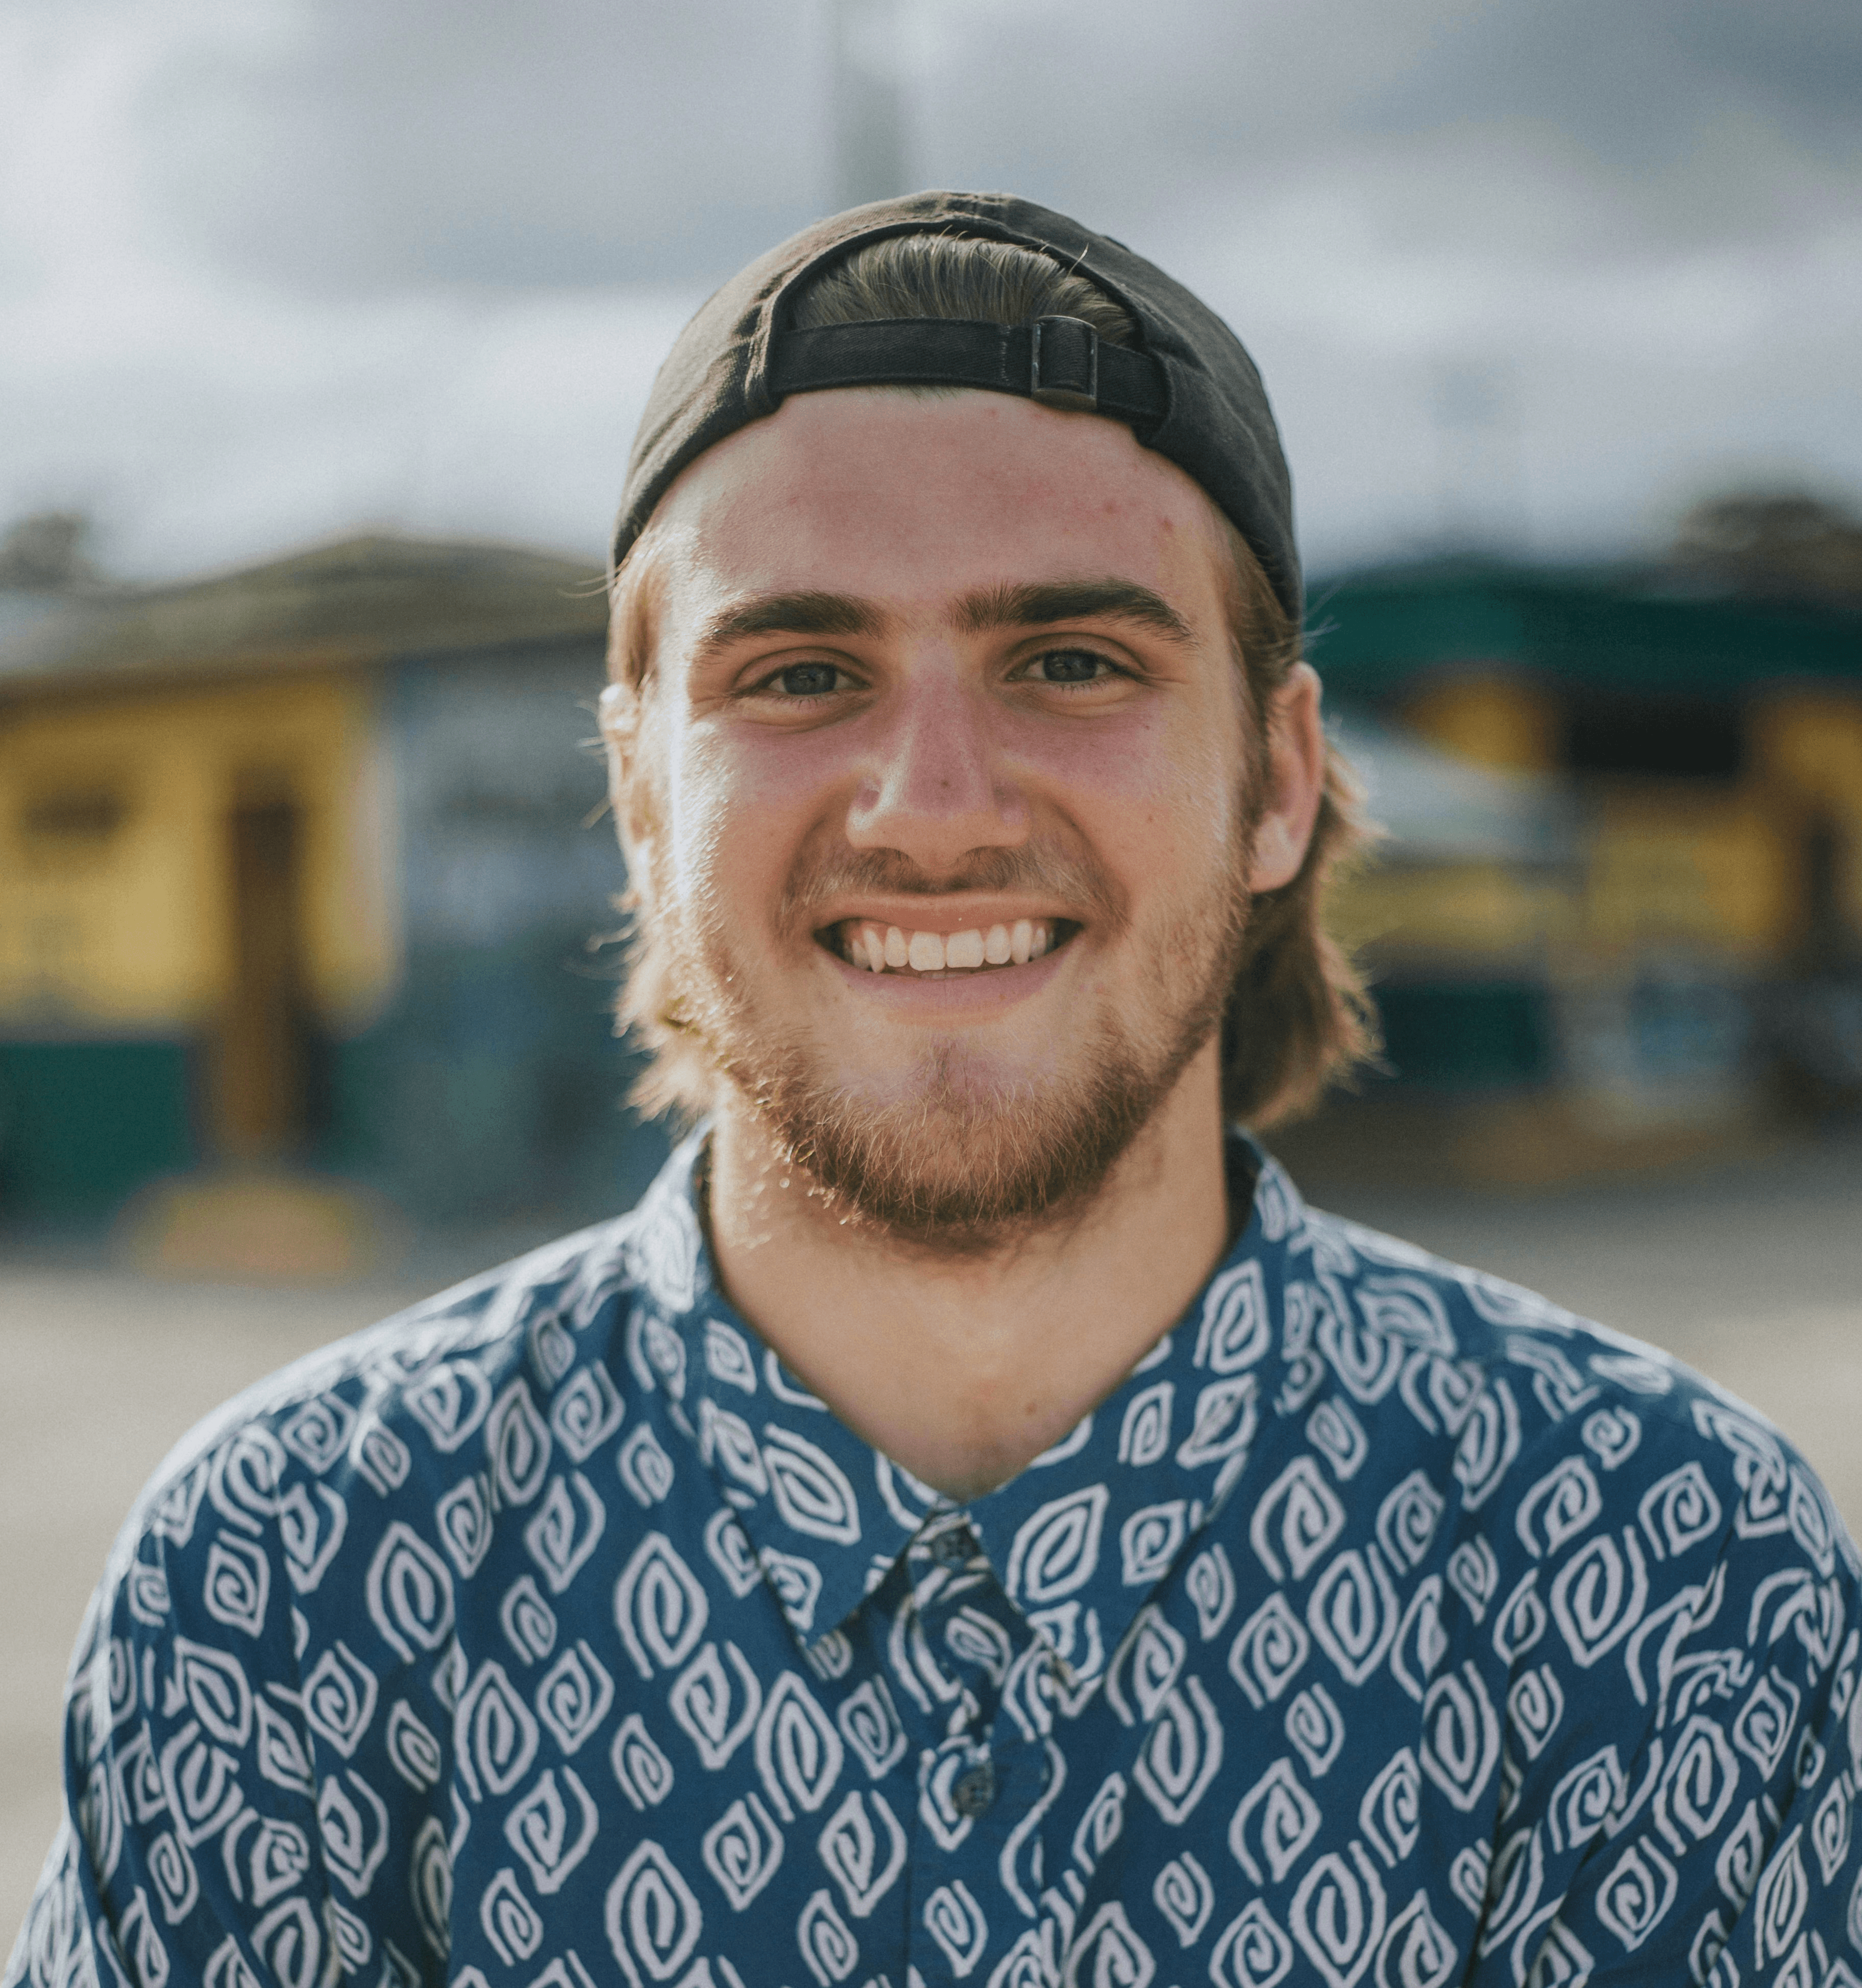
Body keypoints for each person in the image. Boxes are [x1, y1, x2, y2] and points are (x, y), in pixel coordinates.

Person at [10, 191, 1860, 1988]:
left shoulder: (1665, 1566)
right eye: (803, 669)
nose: (937, 805)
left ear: (1281, 779)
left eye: (1070, 659)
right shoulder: (284, 1577)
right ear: (643, 801)